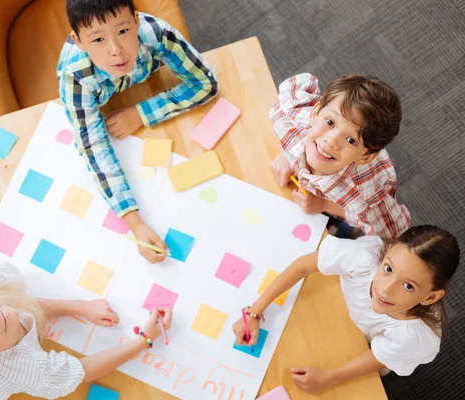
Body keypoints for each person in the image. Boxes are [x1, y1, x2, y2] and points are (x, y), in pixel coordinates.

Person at [57, 0, 218, 262]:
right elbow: (94, 147)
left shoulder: (156, 33)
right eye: (97, 40)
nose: (116, 51)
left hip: (141, 87)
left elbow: (206, 84)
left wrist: (142, 113)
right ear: (78, 41)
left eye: (123, 31)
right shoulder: (74, 77)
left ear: (136, 19)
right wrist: (136, 223)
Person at [233, 225, 459, 393]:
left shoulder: (412, 337)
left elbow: (380, 357)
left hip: (379, 344)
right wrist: (255, 311)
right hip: (342, 317)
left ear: (430, 297)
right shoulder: (364, 258)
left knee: (385, 364)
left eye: (408, 286)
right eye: (388, 268)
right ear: (387, 252)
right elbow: (303, 265)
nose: (386, 289)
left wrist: (329, 378)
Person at [0, 262, 172, 399]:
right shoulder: (24, 366)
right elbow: (81, 371)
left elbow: (19, 305)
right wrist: (144, 340)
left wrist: (80, 307)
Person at [269, 73, 410, 239]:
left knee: (342, 232)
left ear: (365, 156)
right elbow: (302, 82)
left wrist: (323, 205)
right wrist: (287, 150)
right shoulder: (290, 119)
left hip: (348, 199)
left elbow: (394, 232)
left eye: (351, 140)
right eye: (330, 122)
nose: (331, 142)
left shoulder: (365, 198)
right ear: (315, 112)